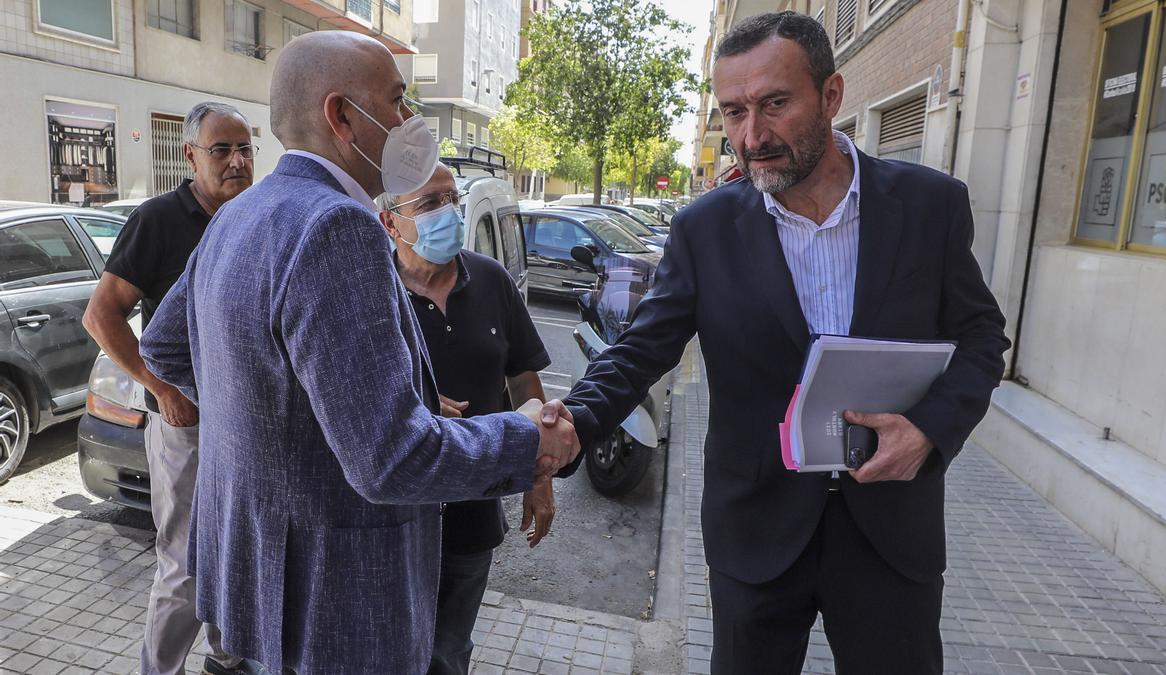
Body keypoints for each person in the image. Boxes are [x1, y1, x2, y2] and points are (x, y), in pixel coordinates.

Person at [556, 12, 1010, 674]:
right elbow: (641, 349)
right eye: (733, 111)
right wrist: (570, 422)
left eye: (774, 103)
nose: (751, 135)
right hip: (755, 533)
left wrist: (930, 430)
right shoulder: (704, 228)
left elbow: (981, 337)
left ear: (830, 95)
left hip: (890, 527)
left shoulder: (929, 205)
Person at [138, 31, 579, 675]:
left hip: (254, 583)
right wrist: (523, 442)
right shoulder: (335, 226)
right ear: (341, 115)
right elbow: (389, 460)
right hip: (333, 605)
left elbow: (168, 349)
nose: (409, 121)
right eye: (398, 101)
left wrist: (299, 424)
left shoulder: (238, 213)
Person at [83, 102, 264, 675]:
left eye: (245, 149)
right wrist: (159, 388)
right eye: (221, 151)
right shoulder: (160, 220)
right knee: (185, 558)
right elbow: (101, 315)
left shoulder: (256, 216)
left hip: (247, 418)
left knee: (238, 547)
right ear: (190, 156)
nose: (237, 162)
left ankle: (228, 656)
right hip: (186, 417)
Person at [377, 165, 556, 674]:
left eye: (451, 199)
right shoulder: (373, 293)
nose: (448, 213)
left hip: (473, 512)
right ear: (391, 223)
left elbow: (524, 379)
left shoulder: (492, 280)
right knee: (389, 651)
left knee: (448, 653)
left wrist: (538, 474)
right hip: (396, 516)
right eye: (430, 204)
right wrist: (415, 408)